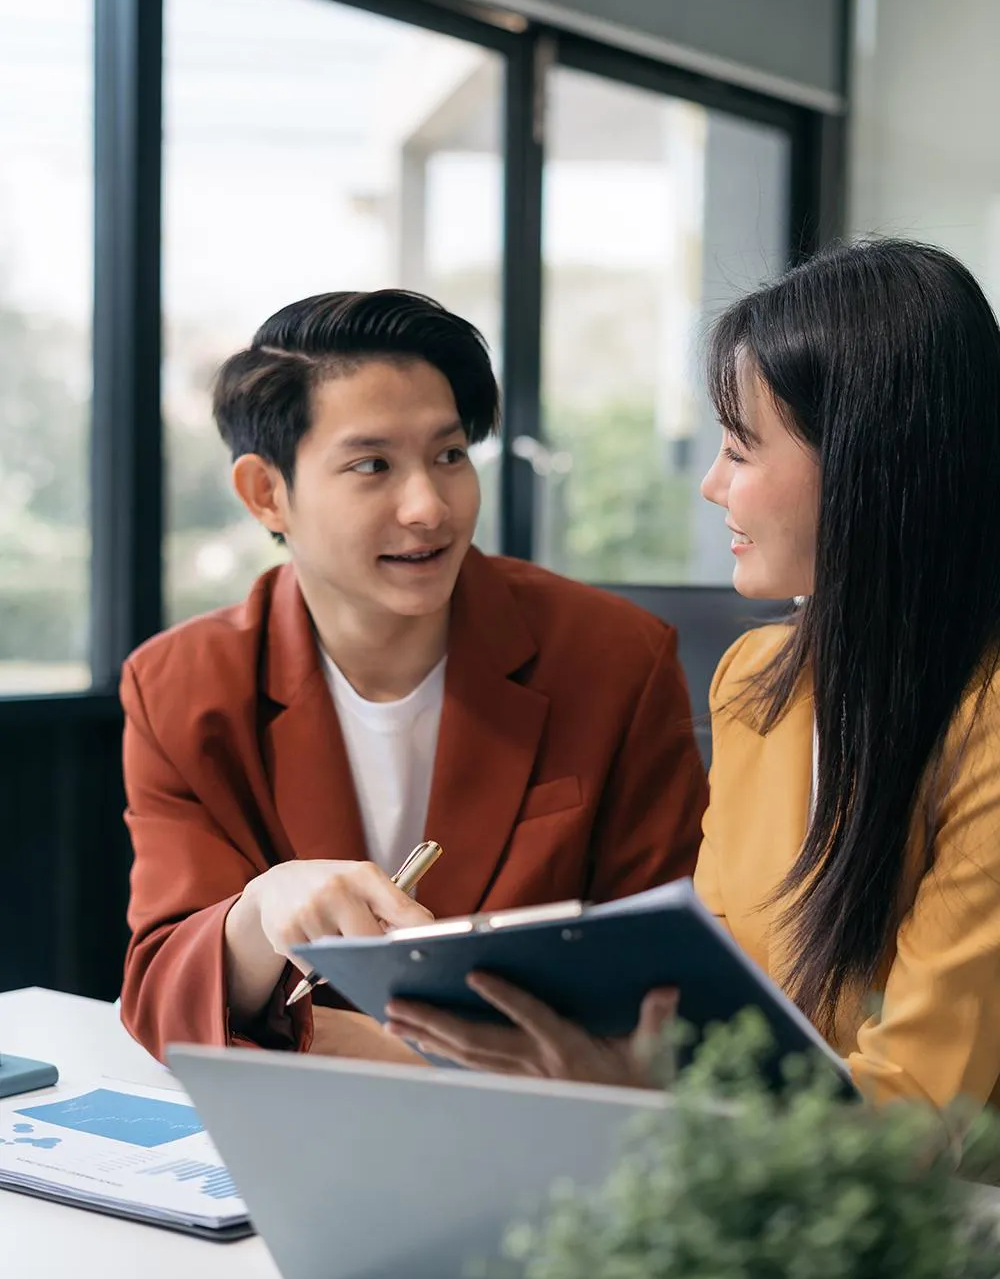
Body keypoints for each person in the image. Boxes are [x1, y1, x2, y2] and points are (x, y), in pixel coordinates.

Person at [386, 240, 1000, 1111]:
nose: (713, 486)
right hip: (733, 1178)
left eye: (741, 449)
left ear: (871, 462)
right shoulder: (757, 680)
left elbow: (914, 1119)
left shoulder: (986, 725)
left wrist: (655, 1084)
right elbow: (715, 996)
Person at [120, 289, 707, 1063]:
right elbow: (162, 992)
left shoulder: (611, 657)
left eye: (450, 455)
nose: (430, 506)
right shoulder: (182, 688)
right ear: (267, 493)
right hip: (308, 1129)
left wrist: (408, 1050)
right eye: (373, 465)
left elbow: (674, 974)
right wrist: (258, 914)